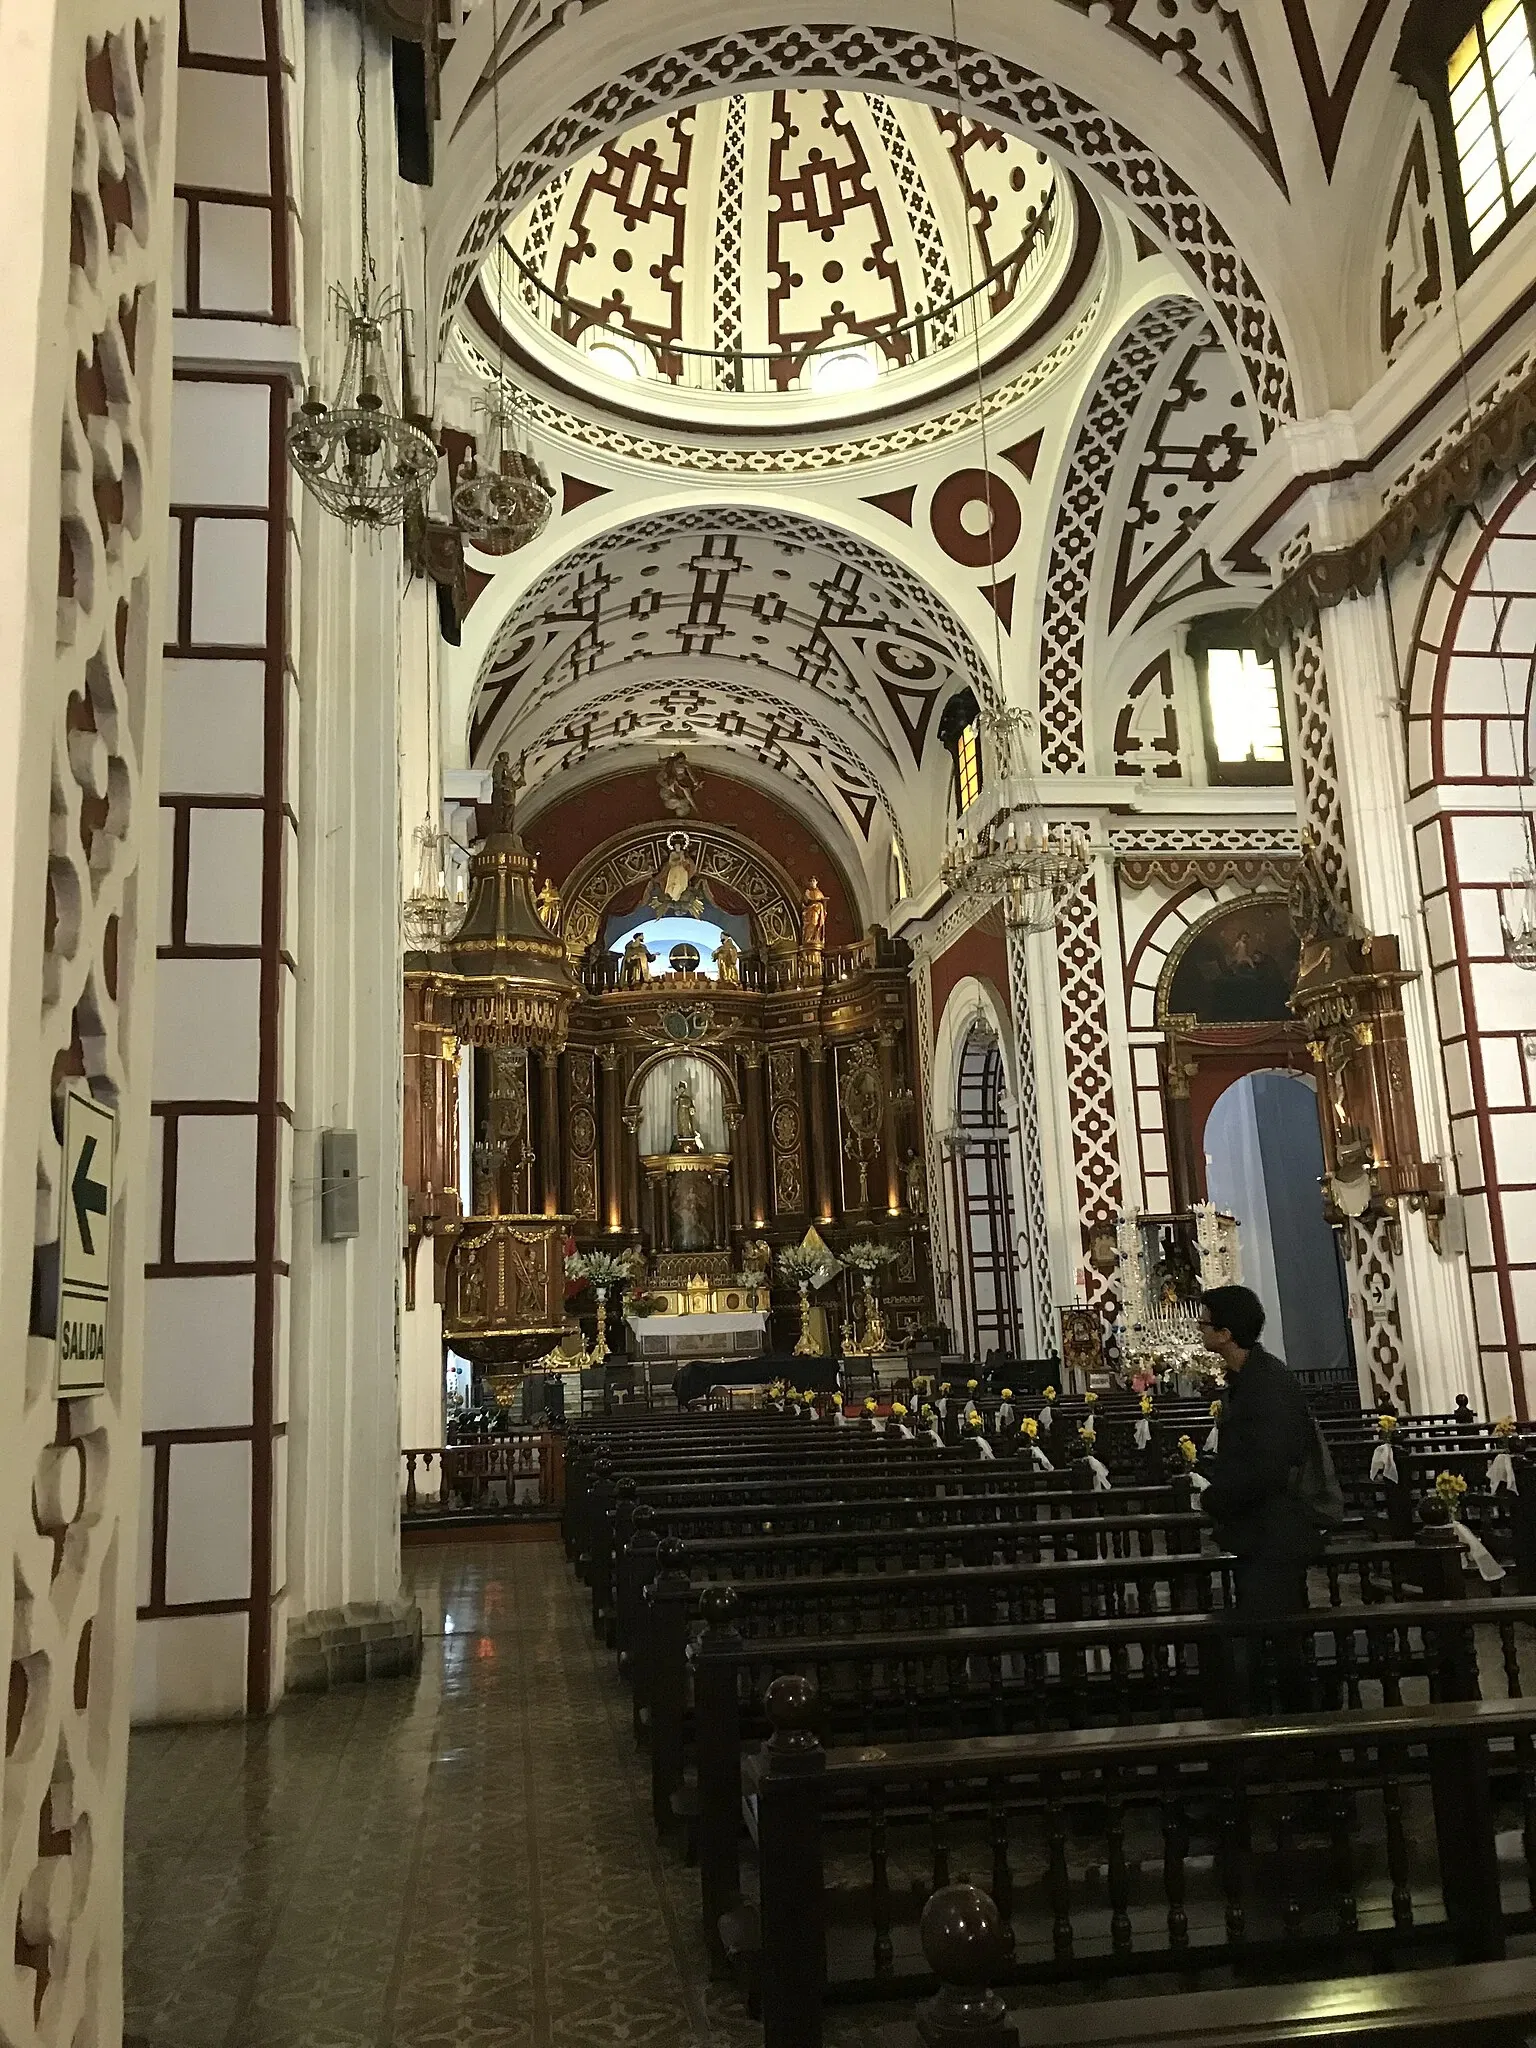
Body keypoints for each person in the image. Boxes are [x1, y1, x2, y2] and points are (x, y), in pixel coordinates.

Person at [1197, 1285, 1327, 1621]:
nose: (1200, 1329)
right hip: (1258, 1530)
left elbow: (1268, 1466)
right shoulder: (1250, 1377)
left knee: (1274, 1627)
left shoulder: (1266, 1385)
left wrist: (1216, 1498)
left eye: (1205, 1325)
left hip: (1274, 1533)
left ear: (1226, 1334)